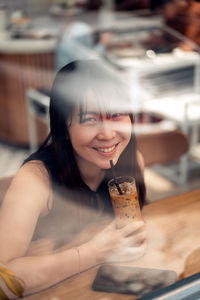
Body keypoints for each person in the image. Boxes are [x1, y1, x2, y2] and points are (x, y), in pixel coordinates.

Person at [0, 59, 147, 297]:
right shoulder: (36, 179)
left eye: (116, 114)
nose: (108, 134)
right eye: (89, 119)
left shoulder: (132, 162)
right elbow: (3, 279)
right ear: (63, 129)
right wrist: (92, 253)